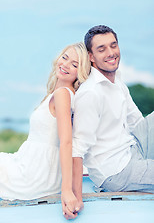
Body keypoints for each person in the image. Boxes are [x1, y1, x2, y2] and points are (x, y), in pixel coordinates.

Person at [0, 42, 91, 220]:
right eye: (65, 57)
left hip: (34, 173)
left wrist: (67, 192)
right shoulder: (60, 93)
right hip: (30, 164)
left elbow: (67, 142)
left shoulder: (63, 94)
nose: (65, 65)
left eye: (74, 64)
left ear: (80, 73)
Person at [72, 25, 154, 211]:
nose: (111, 53)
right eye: (102, 49)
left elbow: (137, 122)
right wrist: (75, 196)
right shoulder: (91, 93)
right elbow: (77, 148)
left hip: (133, 149)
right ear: (91, 57)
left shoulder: (117, 82)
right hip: (116, 172)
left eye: (113, 45)